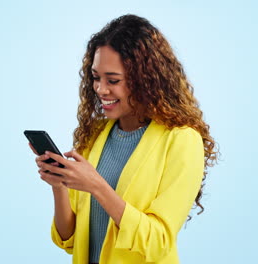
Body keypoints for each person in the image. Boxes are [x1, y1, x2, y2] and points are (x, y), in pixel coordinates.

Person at [29, 14, 218, 264]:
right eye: (96, 77)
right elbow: (70, 240)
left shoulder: (181, 140)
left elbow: (158, 241)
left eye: (113, 80)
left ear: (146, 80)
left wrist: (96, 185)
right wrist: (59, 185)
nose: (100, 89)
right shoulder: (94, 135)